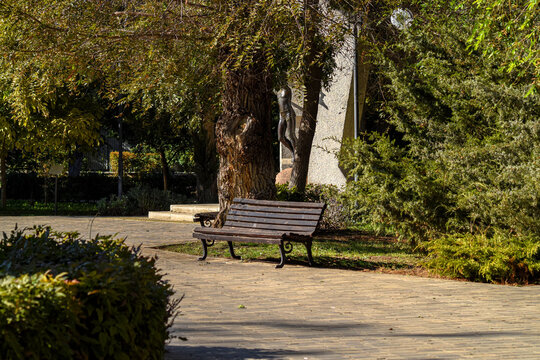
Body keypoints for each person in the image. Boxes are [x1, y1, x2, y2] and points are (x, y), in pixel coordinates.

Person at [277, 86, 297, 161]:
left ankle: (296, 153)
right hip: (281, 115)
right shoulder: (278, 91)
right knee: (280, 138)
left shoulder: (287, 89)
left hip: (289, 113)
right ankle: (292, 151)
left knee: (291, 135)